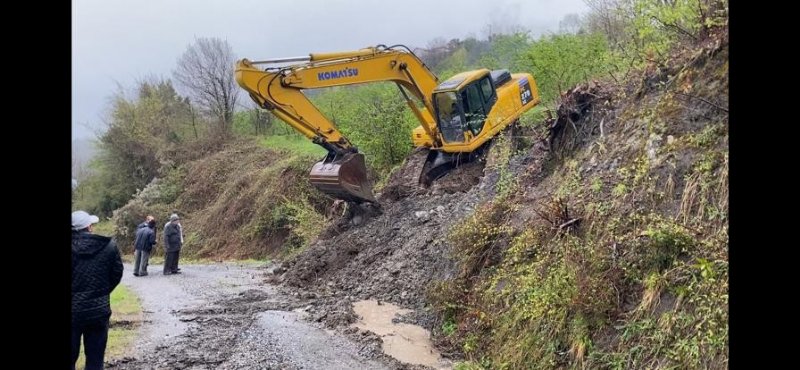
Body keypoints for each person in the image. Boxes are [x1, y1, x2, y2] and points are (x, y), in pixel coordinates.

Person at [72, 210, 124, 370]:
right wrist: (101, 292)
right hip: (98, 312)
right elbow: (116, 273)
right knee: (95, 361)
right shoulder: (109, 246)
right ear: (88, 227)